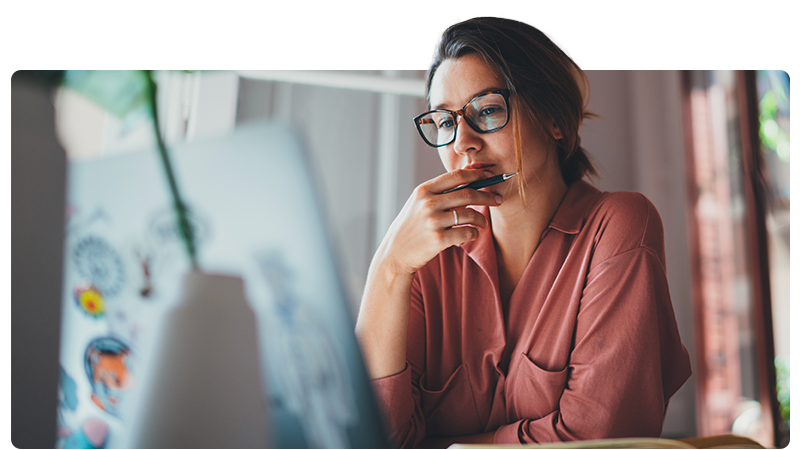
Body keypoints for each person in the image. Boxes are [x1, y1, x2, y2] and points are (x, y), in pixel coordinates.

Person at [355, 16, 692, 448]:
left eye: (488, 110)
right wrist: (389, 267)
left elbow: (597, 438)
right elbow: (374, 439)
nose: (462, 143)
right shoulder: (425, 257)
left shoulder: (618, 227)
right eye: (444, 122)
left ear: (553, 118)